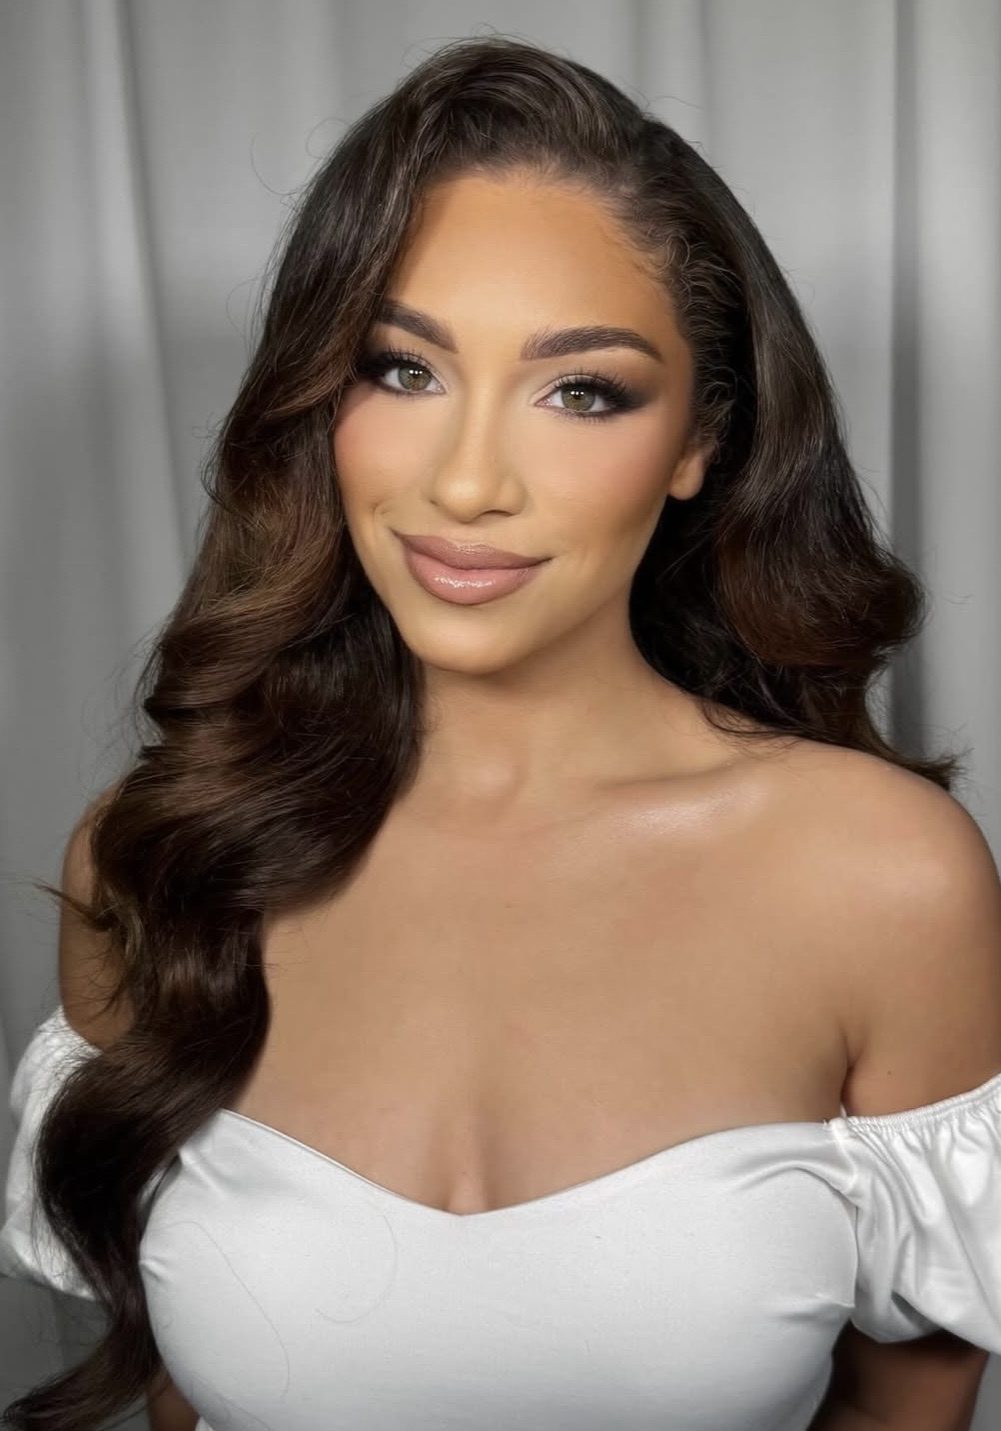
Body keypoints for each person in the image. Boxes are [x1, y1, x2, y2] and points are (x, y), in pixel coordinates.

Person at [2, 33, 999, 1431]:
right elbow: (180, 1389)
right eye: (401, 371)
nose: (466, 481)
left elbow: (914, 1395)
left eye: (580, 390)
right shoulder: (160, 858)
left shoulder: (883, 883)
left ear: (699, 443)